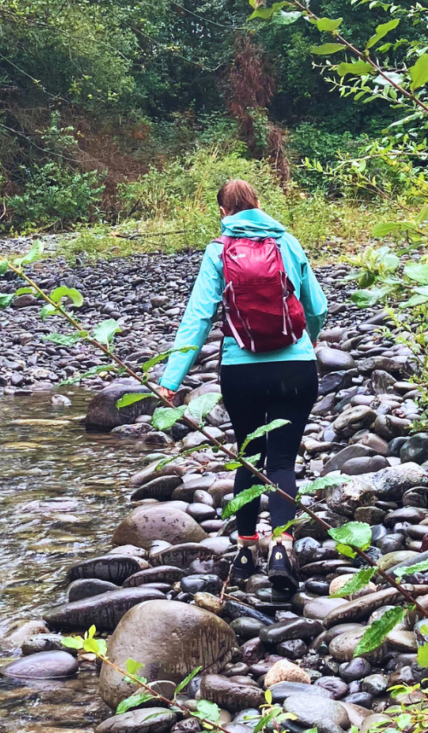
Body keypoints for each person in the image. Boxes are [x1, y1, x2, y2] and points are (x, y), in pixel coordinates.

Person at [157, 179, 327, 593]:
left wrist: (170, 380)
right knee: (283, 463)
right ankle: (283, 549)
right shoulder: (287, 242)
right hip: (296, 367)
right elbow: (316, 306)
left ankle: (247, 550)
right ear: (258, 204)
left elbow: (197, 317)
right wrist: (312, 338)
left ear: (223, 212)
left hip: (241, 371)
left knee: (249, 457)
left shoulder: (218, 250)